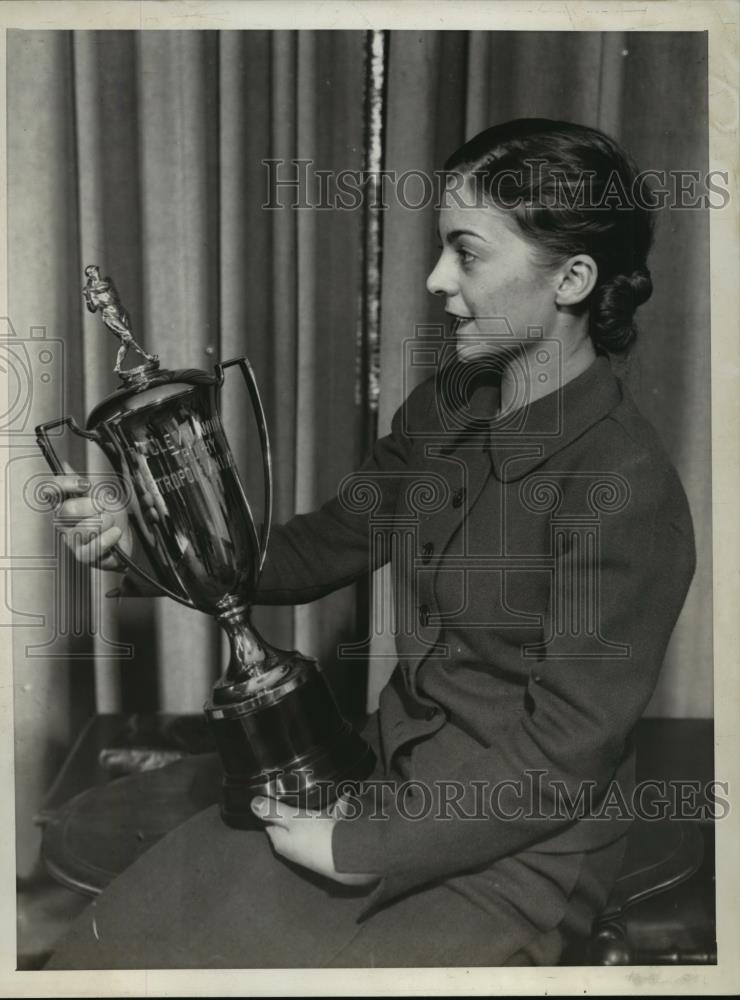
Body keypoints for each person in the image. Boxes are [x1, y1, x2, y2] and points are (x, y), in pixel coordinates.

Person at [45, 119, 695, 968]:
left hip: (519, 860)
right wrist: (149, 538)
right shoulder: (451, 405)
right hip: (375, 787)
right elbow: (321, 548)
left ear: (571, 279)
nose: (435, 281)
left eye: (467, 254)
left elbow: (558, 761)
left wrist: (357, 847)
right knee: (110, 953)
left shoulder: (627, 489)